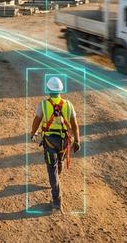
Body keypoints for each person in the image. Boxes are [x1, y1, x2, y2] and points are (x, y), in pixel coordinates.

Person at [30, 76, 80, 213]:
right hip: (64, 141)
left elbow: (37, 120)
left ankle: (57, 203)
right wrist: (77, 140)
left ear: (48, 89)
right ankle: (57, 179)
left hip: (49, 141)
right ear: (61, 90)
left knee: (52, 170)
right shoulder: (68, 104)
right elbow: (75, 126)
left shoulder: (43, 105)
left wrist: (33, 133)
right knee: (60, 161)